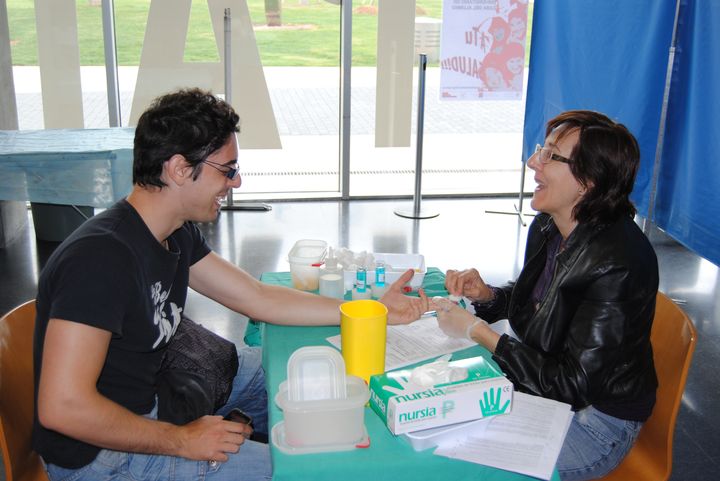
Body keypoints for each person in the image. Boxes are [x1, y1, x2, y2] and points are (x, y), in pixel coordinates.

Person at [32, 88, 429, 481]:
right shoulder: (100, 259)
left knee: (296, 376)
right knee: (309, 473)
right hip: (103, 457)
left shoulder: (173, 232)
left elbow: (257, 297)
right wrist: (181, 440)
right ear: (179, 169)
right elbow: (62, 407)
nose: (235, 182)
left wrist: (369, 310)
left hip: (155, 395)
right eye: (227, 170)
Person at [432, 110, 658, 481]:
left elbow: (573, 385)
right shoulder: (550, 226)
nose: (533, 162)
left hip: (595, 422)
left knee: (458, 465)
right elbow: (541, 306)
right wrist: (487, 295)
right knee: (439, 426)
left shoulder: (617, 262)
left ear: (587, 181)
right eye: (542, 149)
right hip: (543, 395)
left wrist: (478, 331)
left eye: (551, 156)